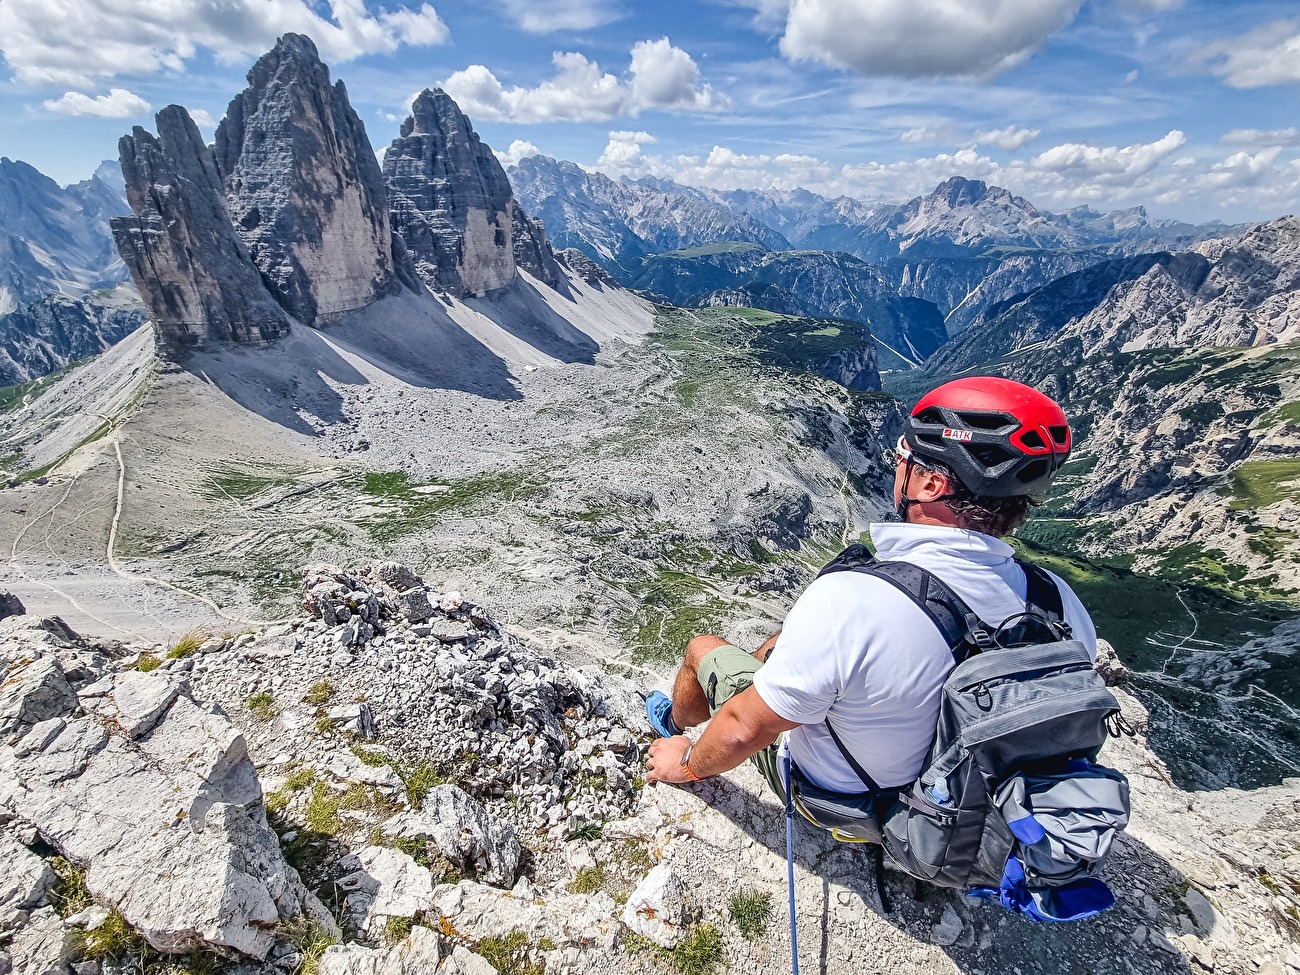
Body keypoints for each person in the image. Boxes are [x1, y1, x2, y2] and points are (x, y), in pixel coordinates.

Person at [643, 376, 1097, 803]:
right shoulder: (1057, 599)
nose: (898, 466)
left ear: (930, 484)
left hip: (853, 804)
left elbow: (744, 729)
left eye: (906, 458)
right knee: (782, 646)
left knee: (704, 648)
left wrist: (686, 763)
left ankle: (675, 727)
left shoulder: (851, 601)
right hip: (977, 809)